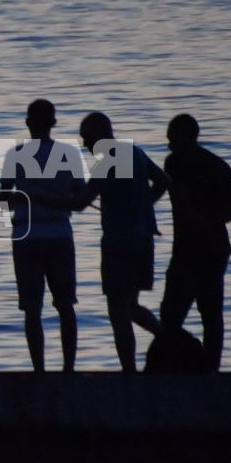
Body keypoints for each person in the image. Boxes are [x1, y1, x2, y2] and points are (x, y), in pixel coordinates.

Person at [0, 99, 95, 371]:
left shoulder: (14, 155)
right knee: (66, 305)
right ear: (53, 123)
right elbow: (79, 196)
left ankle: (39, 369)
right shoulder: (70, 153)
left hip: (26, 237)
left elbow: (3, 202)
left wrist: (24, 198)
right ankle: (68, 369)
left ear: (28, 122)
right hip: (60, 236)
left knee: (32, 309)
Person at [79, 111, 169, 372]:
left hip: (120, 243)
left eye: (87, 138)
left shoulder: (108, 160)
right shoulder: (135, 153)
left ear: (100, 135)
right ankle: (167, 338)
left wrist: (49, 194)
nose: (84, 145)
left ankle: (129, 371)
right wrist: (144, 205)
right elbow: (164, 181)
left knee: (118, 311)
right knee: (130, 306)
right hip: (143, 240)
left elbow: (81, 202)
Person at [157, 113, 231, 372]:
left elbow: (181, 203)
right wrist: (213, 223)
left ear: (184, 136)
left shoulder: (175, 162)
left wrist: (201, 225)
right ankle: (209, 369)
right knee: (211, 313)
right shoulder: (218, 164)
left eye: (172, 136)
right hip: (216, 247)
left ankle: (173, 365)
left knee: (172, 313)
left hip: (190, 248)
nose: (168, 142)